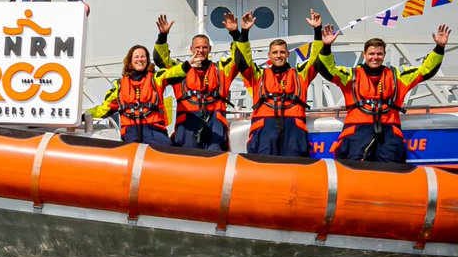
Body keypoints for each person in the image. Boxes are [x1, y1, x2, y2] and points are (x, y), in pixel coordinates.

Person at [318, 24, 450, 163]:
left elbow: (426, 70)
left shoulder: (398, 76)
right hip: (356, 134)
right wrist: (326, 47)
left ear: (384, 55)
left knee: (392, 174)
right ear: (364, 55)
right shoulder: (350, 76)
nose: (375, 57)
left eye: (379, 54)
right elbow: (327, 70)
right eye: (371, 54)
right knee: (354, 173)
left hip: (389, 135)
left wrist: (439, 48)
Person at [153, 13, 251, 150]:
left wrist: (236, 33)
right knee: (187, 161)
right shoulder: (179, 69)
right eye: (197, 47)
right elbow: (160, 59)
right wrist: (162, 36)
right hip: (188, 124)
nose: (201, 50)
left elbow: (241, 59)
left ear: (210, 49)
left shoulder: (221, 69)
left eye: (204, 47)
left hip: (215, 124)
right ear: (191, 49)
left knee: (215, 158)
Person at [238, 10, 325, 157]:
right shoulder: (258, 75)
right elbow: (242, 60)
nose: (279, 55)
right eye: (275, 52)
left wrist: (317, 31)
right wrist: (244, 32)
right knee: (263, 170)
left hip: (294, 129)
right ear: (269, 55)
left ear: (288, 54)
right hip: (264, 129)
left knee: (295, 170)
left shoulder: (300, 75)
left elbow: (315, 60)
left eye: (282, 52)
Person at [86, 45, 188, 145]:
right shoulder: (119, 86)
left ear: (147, 60)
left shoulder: (157, 78)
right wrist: (83, 116)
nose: (140, 59)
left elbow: (173, 73)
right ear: (130, 60)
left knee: (168, 152)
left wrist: (188, 65)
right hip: (130, 134)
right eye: (136, 56)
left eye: (143, 56)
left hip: (155, 132)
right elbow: (104, 109)